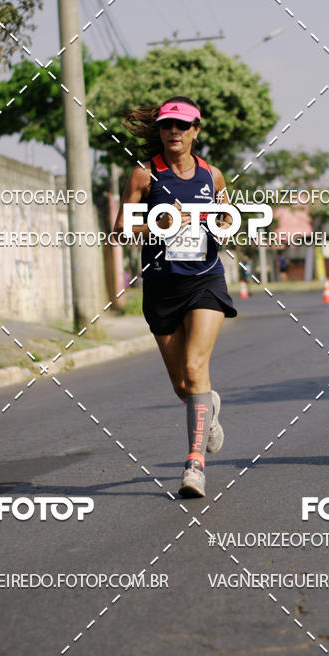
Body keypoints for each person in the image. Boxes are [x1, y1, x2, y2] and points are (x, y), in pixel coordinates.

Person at [113, 96, 237, 497]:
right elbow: (120, 231)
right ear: (161, 131)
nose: (174, 133)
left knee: (195, 364)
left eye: (183, 126)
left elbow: (226, 224)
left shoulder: (213, 177)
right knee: (184, 386)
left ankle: (194, 466)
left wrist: (220, 226)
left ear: (196, 131)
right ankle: (208, 410)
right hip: (162, 286)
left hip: (205, 280)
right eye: (168, 126)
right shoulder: (143, 175)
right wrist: (161, 224)